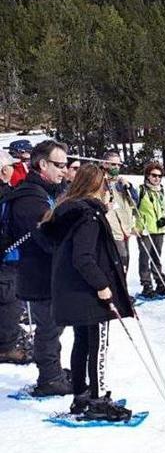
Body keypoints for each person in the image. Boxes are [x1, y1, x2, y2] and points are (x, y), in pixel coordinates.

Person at [39, 164, 133, 421]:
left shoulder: (70, 211)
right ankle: (97, 400)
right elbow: (83, 257)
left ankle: (81, 394)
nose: (108, 190)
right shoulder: (87, 216)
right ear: (96, 186)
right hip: (89, 294)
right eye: (105, 185)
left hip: (75, 292)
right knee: (97, 345)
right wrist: (102, 286)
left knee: (82, 342)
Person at [9, 139, 71, 395]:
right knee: (49, 326)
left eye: (66, 165)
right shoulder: (30, 197)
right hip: (38, 274)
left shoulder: (45, 191)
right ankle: (50, 379)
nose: (64, 171)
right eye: (59, 165)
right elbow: (46, 238)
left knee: (54, 325)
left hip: (47, 272)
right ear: (42, 164)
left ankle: (52, 369)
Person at [0, 149, 28, 364]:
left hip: (11, 256)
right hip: (7, 258)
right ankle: (7, 347)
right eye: (11, 168)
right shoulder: (5, 197)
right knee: (10, 302)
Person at [134, 162, 165, 298]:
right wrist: (135, 226)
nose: (157, 178)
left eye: (159, 176)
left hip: (159, 230)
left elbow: (162, 210)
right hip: (145, 230)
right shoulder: (141, 190)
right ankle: (146, 285)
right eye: (154, 175)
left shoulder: (161, 191)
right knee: (145, 257)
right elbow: (132, 208)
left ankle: (160, 283)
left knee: (157, 257)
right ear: (147, 176)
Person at [101, 151, 139, 275]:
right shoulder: (100, 181)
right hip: (111, 228)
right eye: (113, 164)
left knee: (125, 260)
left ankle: (122, 289)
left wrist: (129, 187)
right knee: (119, 260)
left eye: (118, 165)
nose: (116, 167)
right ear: (105, 164)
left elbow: (135, 202)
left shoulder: (121, 182)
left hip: (125, 228)